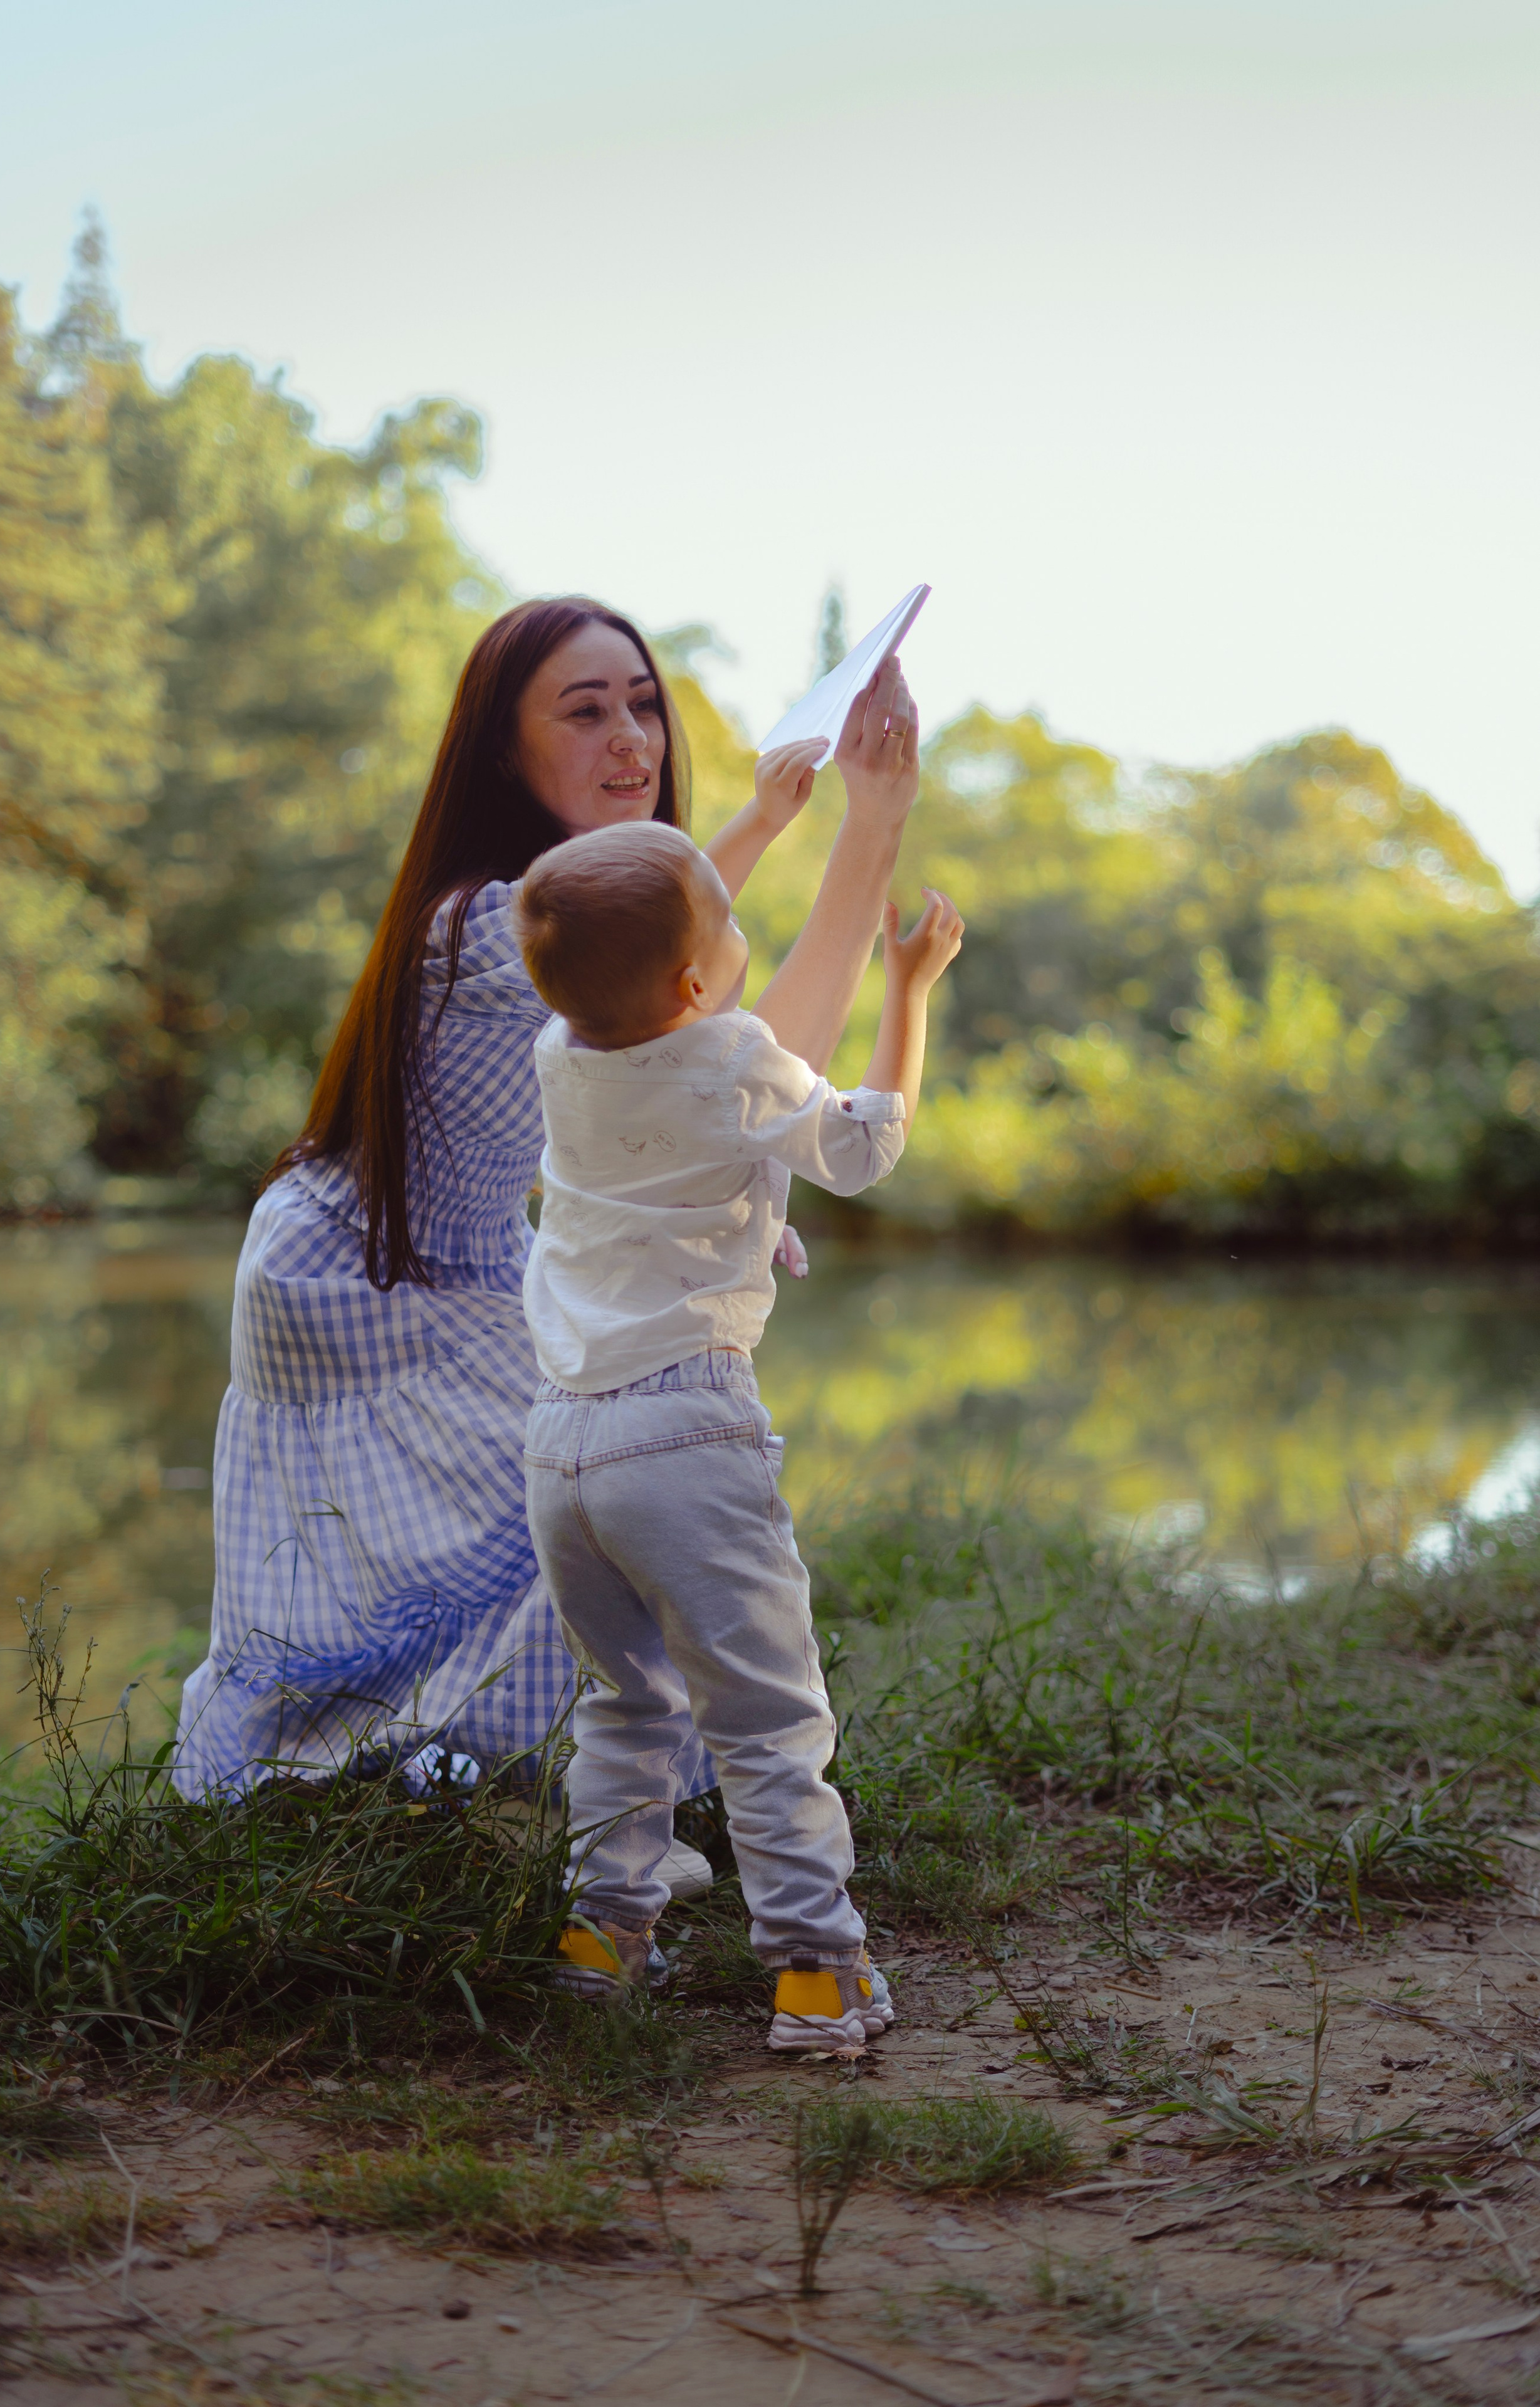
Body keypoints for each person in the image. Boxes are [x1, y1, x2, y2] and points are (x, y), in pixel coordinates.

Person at [172, 595, 921, 1800]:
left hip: (462, 1252)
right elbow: (724, 1037)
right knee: (608, 1483)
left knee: (611, 1489)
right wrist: (818, 823)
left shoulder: (598, 926)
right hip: (358, 1270)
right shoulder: (482, 922)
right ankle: (455, 1776)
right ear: (502, 752)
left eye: (643, 705)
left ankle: (484, 1777)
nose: (632, 737)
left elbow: (733, 1060)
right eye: (584, 712)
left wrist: (838, 819)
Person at [516, 818, 963, 2055]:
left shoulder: (561, 1050)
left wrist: (754, 1218)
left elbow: (647, 1165)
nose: (741, 926)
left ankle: (603, 1937)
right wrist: (909, 989)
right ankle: (816, 1973)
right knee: (767, 1721)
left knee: (624, 1699)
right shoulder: (732, 1053)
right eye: (725, 919)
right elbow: (862, 1144)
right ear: (694, 982)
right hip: (682, 1431)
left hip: (560, 1444)